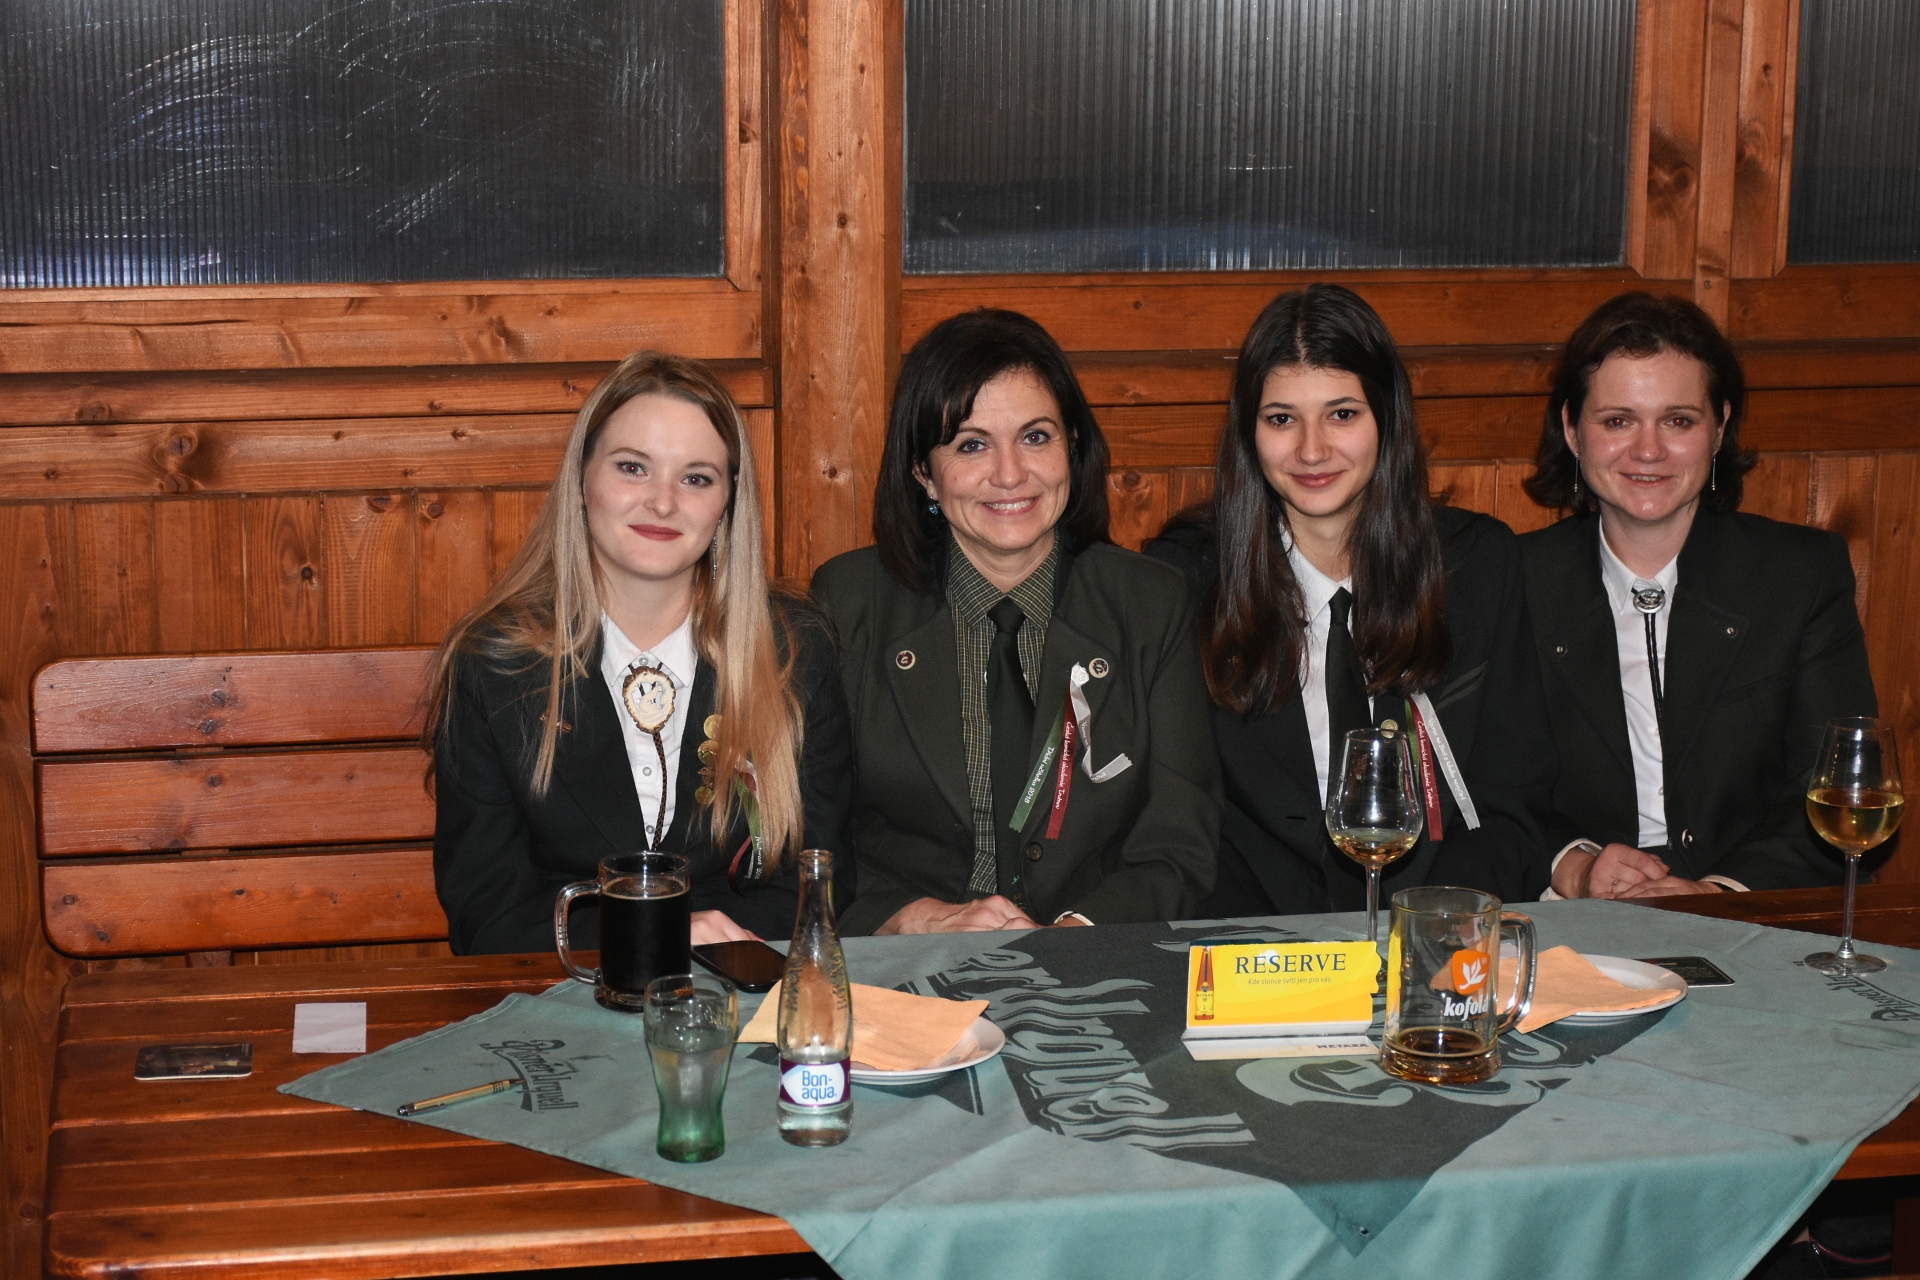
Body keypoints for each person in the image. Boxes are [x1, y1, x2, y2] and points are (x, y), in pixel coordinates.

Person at [1146, 283, 1556, 913]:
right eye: (1281, 419)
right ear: (1249, 431)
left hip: (1434, 929)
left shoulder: (1477, 566)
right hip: (1254, 943)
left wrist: (1431, 929)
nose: (1312, 450)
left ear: (1386, 418)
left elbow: (1513, 802)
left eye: (1342, 414)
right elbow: (1183, 820)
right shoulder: (1184, 580)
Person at [425, 351, 853, 954]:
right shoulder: (493, 663)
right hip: (566, 993)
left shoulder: (794, 651)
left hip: (745, 983)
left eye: (696, 478)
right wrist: (654, 937)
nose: (663, 502)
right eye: (633, 467)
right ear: (582, 481)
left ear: (728, 503)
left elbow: (817, 884)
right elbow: (486, 915)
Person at [811, 309, 1221, 935]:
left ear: (1072, 446)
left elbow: (1179, 840)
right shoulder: (849, 602)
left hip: (1097, 961)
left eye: (1035, 437)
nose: (1009, 474)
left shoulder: (1150, 602)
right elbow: (811, 833)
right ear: (923, 472)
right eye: (971, 445)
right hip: (909, 963)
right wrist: (914, 921)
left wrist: (1076, 935)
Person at [1520, 292, 1876, 900]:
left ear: (1720, 428)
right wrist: (1574, 867)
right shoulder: (1514, 581)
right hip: (1573, 920)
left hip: (1756, 906)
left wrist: (1718, 894)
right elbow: (1480, 786)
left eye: (1678, 421)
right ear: (1573, 430)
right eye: (1617, 421)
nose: (1648, 450)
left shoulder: (1800, 575)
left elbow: (1839, 789)